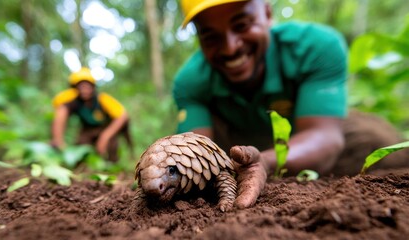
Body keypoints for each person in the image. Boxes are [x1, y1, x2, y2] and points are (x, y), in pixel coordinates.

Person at [173, 0, 408, 209]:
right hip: (233, 148)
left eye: (242, 25)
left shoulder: (316, 46)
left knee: (382, 144)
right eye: (211, 36)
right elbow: (194, 153)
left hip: (310, 138)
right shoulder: (190, 81)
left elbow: (323, 133)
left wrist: (264, 161)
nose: (230, 48)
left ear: (267, 14)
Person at [51, 67, 134, 162]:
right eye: (81, 86)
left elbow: (123, 116)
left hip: (107, 128)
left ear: (93, 87)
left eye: (87, 86)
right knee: (81, 146)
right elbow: (60, 109)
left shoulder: (102, 99)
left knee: (110, 146)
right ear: (75, 88)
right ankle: (84, 165)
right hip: (88, 130)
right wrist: (58, 140)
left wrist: (105, 137)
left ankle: (112, 164)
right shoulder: (74, 101)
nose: (85, 90)